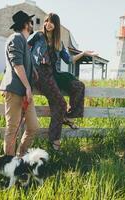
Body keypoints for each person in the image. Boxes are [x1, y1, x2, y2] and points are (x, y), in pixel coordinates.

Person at [28, 13, 97, 151]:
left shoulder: (59, 42)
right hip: (40, 73)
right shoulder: (37, 36)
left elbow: (69, 60)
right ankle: (54, 140)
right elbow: (25, 48)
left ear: (56, 25)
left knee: (78, 86)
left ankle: (69, 117)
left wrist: (83, 53)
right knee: (60, 104)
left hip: (53, 73)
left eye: (52, 22)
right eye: (47, 21)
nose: (48, 24)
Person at [0, 10, 39, 157]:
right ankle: (8, 166)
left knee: (33, 126)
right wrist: (28, 87)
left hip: (24, 92)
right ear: (25, 24)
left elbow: (22, 61)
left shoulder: (23, 41)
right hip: (15, 90)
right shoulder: (16, 38)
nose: (32, 25)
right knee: (13, 128)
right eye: (30, 22)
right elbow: (16, 64)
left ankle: (20, 158)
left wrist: (33, 69)